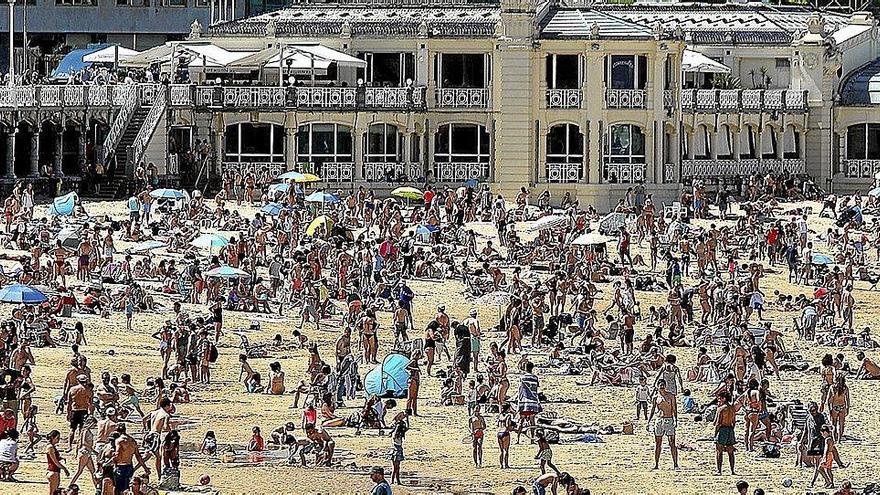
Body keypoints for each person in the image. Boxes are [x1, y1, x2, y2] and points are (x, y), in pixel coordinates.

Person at [647, 379, 679, 470]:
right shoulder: (656, 397)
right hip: (659, 420)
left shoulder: (671, 396)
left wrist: (675, 419)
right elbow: (653, 410)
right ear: (657, 386)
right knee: (658, 443)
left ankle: (675, 464)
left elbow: (674, 408)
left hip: (669, 419)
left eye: (663, 385)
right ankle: (656, 464)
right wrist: (648, 422)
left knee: (672, 442)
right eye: (660, 385)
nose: (662, 387)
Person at [714, 391, 737, 475]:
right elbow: (734, 422)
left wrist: (715, 433)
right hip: (730, 429)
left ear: (724, 398)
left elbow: (718, 423)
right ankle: (732, 470)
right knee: (730, 451)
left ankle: (719, 470)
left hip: (722, 429)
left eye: (720, 398)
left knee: (719, 451)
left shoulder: (721, 409)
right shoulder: (732, 408)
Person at [46, 430, 70, 495]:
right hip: (53, 471)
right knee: (52, 493)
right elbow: (55, 461)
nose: (59, 439)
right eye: (57, 438)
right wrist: (64, 469)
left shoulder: (52, 446)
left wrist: (60, 458)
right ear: (52, 438)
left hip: (53, 471)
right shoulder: (50, 447)